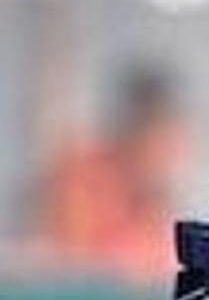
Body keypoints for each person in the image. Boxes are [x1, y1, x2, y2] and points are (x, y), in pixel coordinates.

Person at [34, 61, 191, 281]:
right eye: (158, 133)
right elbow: (66, 265)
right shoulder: (83, 178)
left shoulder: (158, 204)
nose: (168, 152)